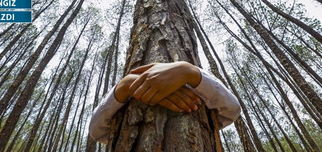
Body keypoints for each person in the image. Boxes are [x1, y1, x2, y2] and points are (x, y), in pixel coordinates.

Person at [89, 61, 241, 144]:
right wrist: (123, 86)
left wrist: (189, 72)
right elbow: (96, 131)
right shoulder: (124, 91)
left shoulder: (196, 76)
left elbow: (232, 109)